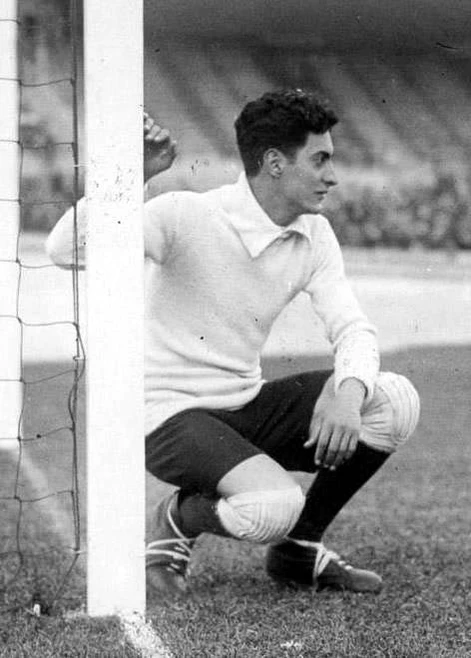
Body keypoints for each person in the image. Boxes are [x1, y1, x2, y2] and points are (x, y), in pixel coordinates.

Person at [46, 90, 420, 599]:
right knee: (272, 508)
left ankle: (298, 549)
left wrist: (349, 390)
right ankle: (179, 518)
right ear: (275, 163)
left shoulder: (315, 235)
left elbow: (353, 327)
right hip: (166, 414)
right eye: (320, 160)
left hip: (243, 403)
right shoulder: (186, 215)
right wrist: (133, 178)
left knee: (394, 401)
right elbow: (65, 249)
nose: (333, 176)